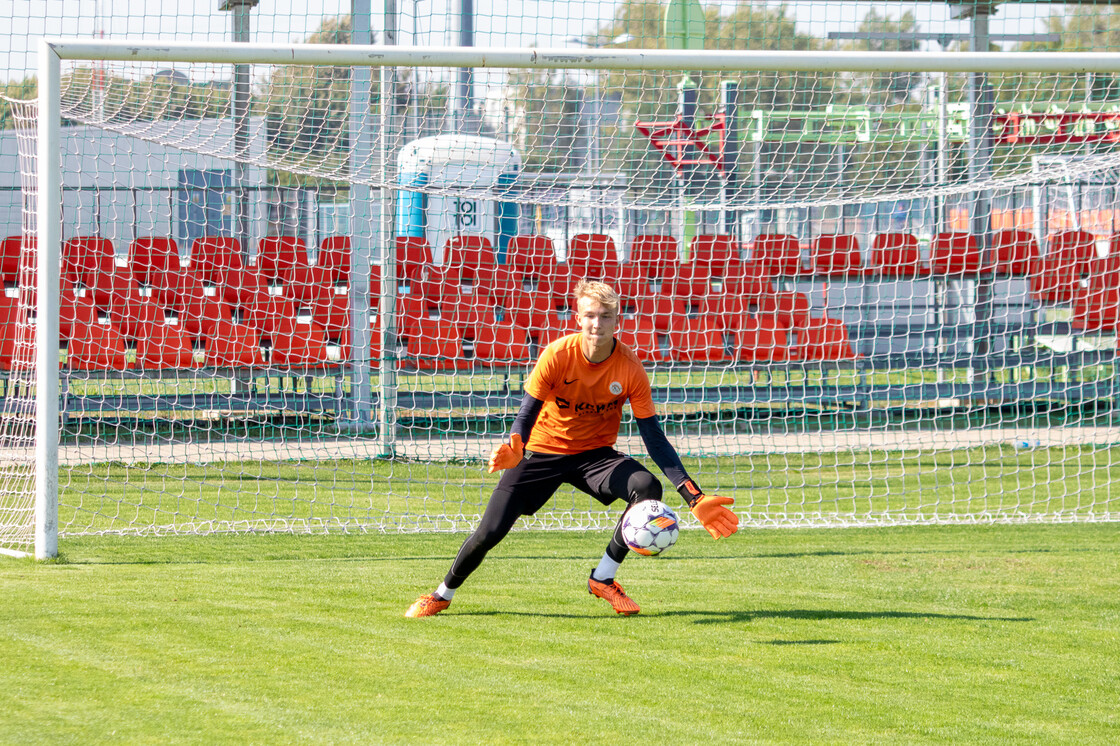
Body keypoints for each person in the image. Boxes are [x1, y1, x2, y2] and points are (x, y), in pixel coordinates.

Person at [405, 280, 738, 618]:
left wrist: (692, 495)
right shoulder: (558, 355)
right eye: (590, 315)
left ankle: (604, 578)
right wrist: (516, 446)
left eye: (605, 316)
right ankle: (441, 594)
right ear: (579, 318)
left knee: (647, 487)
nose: (597, 324)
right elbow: (527, 412)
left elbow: (653, 436)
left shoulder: (629, 367)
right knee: (489, 532)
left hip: (594, 456)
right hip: (543, 452)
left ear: (617, 319)